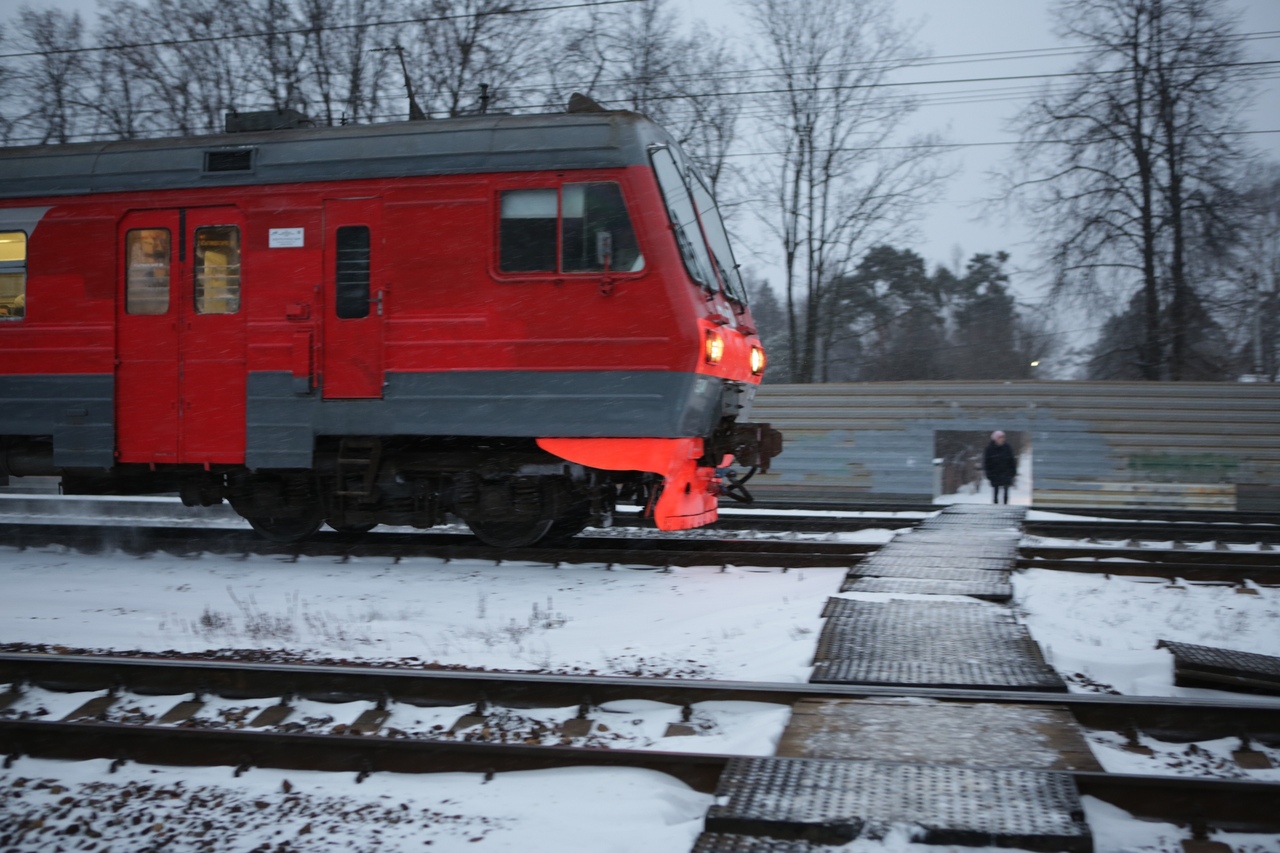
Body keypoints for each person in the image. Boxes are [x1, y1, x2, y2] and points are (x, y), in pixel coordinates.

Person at [983, 430, 1017, 504]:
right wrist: (989, 474)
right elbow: (987, 463)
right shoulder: (990, 449)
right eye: (1000, 437)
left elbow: (1012, 460)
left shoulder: (1007, 447)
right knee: (996, 491)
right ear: (995, 439)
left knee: (1006, 491)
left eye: (1003, 437)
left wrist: (1013, 472)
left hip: (1006, 473)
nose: (1002, 439)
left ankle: (1005, 505)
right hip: (995, 473)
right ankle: (995, 506)